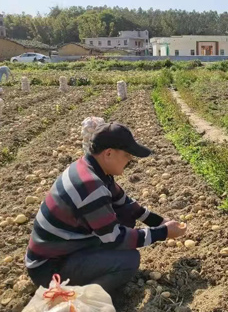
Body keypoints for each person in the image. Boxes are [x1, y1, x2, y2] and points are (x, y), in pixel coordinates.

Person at [25, 123, 187, 299]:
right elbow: (115, 238)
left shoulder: (91, 168)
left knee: (125, 217)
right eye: (127, 155)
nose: (130, 160)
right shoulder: (90, 185)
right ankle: (80, 300)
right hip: (49, 268)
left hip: (63, 249)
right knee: (129, 261)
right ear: (109, 153)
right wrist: (163, 232)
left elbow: (125, 204)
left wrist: (159, 222)